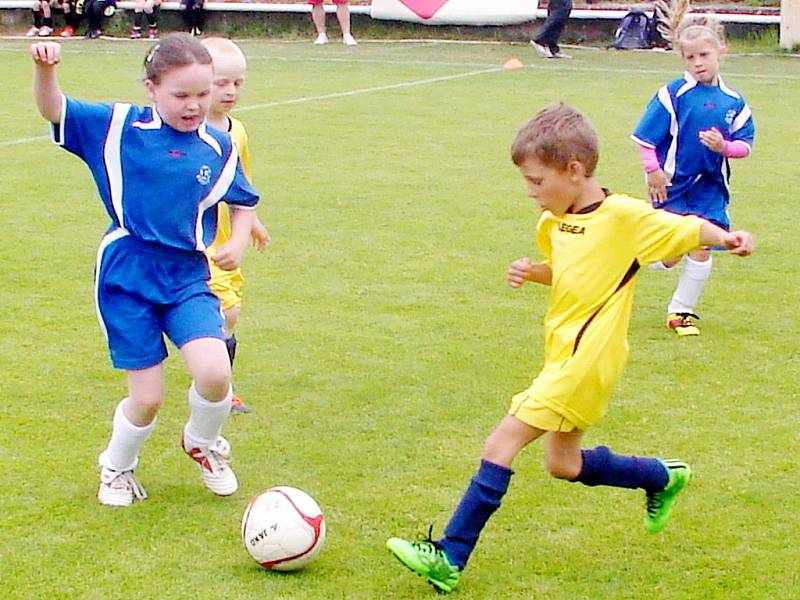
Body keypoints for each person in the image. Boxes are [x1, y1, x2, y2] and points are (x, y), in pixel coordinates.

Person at [386, 104, 754, 594]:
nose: (532, 193)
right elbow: (571, 273)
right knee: (564, 465)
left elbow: (687, 228)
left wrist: (729, 238)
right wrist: (535, 272)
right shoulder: (555, 223)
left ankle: (450, 555)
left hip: (587, 361)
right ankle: (660, 477)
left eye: (538, 182)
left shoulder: (624, 217)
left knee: (501, 445)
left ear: (575, 171)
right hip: (563, 356)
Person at [30, 34, 260, 507]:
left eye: (204, 94)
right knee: (148, 396)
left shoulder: (218, 146)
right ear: (151, 88)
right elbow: (54, 109)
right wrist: (47, 70)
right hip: (127, 275)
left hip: (187, 276)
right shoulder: (117, 126)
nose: (194, 105)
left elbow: (243, 202)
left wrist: (237, 242)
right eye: (181, 95)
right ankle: (115, 468)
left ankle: (202, 442)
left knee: (216, 371)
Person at [631, 16, 755, 337]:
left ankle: (680, 312)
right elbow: (646, 138)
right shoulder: (673, 94)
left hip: (711, 188)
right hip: (672, 185)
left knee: (701, 246)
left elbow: (745, 145)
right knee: (670, 255)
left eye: (704, 55)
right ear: (682, 59)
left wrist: (724, 147)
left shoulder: (734, 101)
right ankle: (629, 261)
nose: (698, 63)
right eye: (690, 57)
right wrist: (653, 171)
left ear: (720, 53)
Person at [202, 37, 271, 414]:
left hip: (229, 244)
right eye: (221, 82)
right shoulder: (186, 129)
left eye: (237, 83)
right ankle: (221, 392)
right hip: (196, 243)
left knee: (229, 314)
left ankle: (218, 382)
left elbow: (240, 186)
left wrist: (254, 223)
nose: (230, 91)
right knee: (224, 311)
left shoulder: (237, 130)